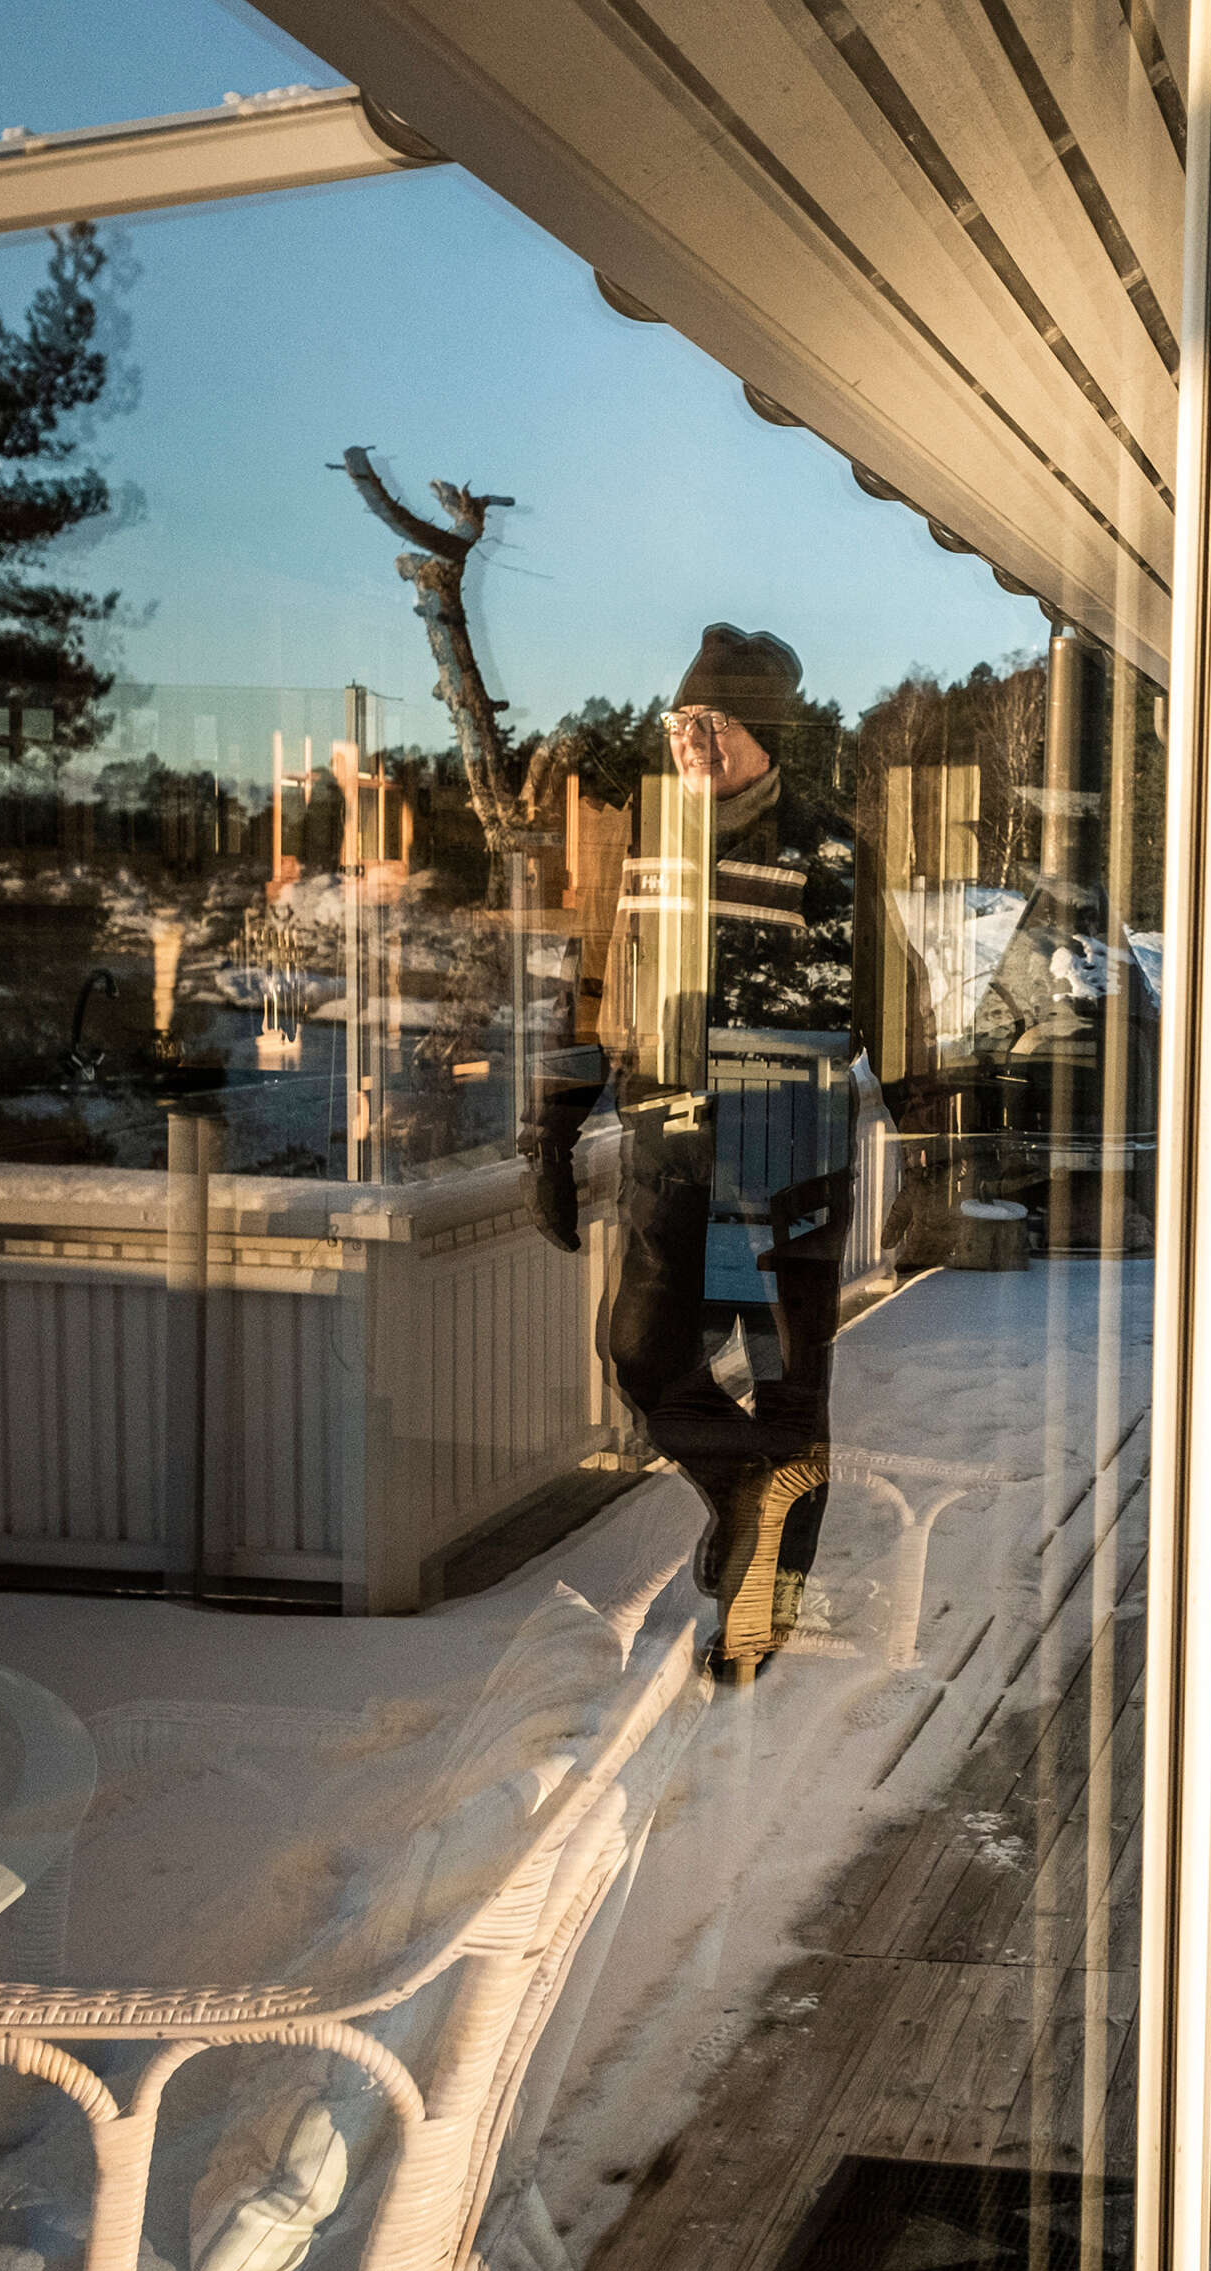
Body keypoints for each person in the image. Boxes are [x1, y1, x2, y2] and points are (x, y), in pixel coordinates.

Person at [528, 624, 855, 1682]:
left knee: (788, 1386)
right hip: (669, 1155)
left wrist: (939, 1153)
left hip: (790, 1161)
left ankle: (763, 1612)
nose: (689, 741)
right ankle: (745, 1489)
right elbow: (588, 990)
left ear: (761, 734)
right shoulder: (642, 839)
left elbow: (895, 1012)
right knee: (640, 1353)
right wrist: (551, 1130)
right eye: (680, 721)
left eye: (711, 723)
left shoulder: (829, 848)